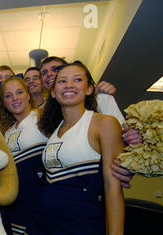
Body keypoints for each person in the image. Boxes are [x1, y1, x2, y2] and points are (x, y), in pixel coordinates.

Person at [21, 62, 131, 235]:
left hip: (80, 234)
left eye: (77, 80)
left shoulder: (104, 123)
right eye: (62, 81)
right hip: (39, 230)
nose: (69, 85)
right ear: (52, 91)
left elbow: (114, 187)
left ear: (90, 89)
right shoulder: (54, 130)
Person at [39, 56, 139, 187]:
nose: (49, 75)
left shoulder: (102, 98)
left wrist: (128, 166)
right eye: (44, 73)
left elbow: (126, 140)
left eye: (56, 69)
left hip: (95, 186)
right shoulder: (46, 114)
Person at [0, 77, 48, 235]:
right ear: (3, 102)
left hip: (41, 204)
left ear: (28, 95)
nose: (15, 98)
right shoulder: (7, 132)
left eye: (19, 92)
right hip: (16, 205)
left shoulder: (42, 118)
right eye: (8, 96)